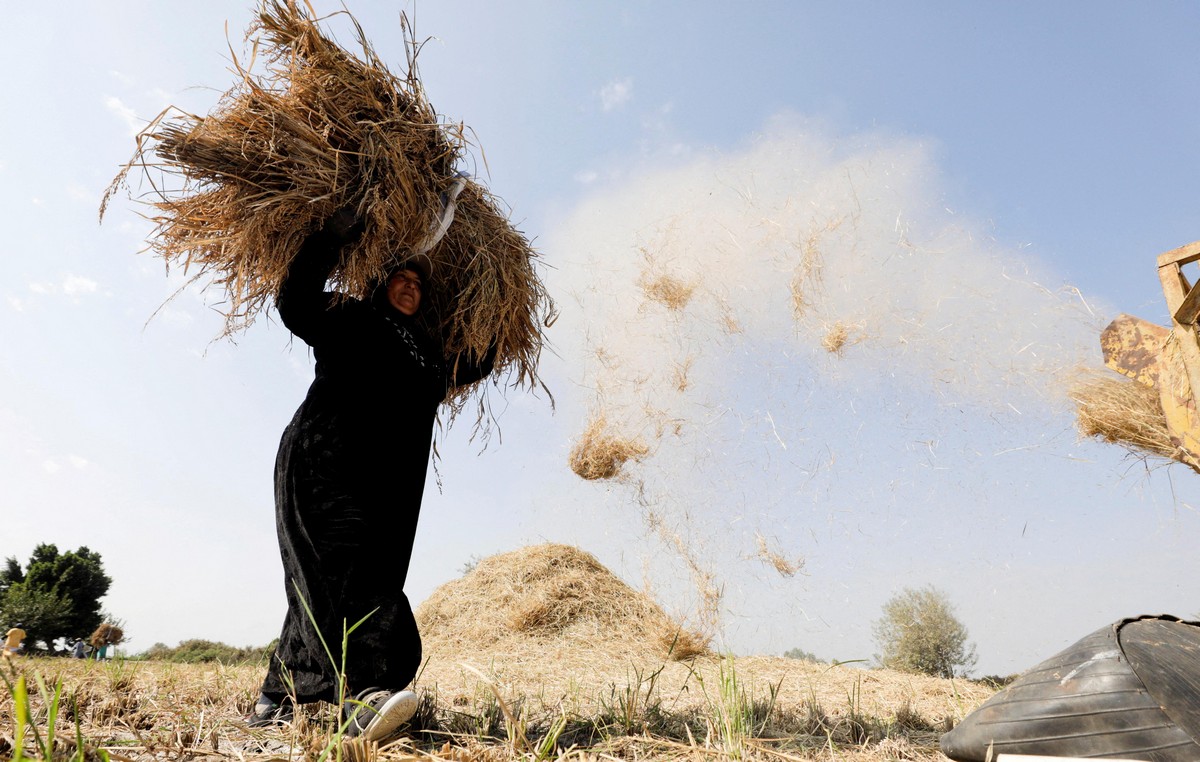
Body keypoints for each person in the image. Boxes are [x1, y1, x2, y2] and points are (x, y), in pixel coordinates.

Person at [249, 206, 495, 742]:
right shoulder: (350, 316)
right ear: (381, 283)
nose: (410, 286)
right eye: (401, 277)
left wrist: (493, 303)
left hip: (388, 485)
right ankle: (363, 696)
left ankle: (277, 696)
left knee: (346, 578)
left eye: (417, 283)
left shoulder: (426, 356)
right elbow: (294, 306)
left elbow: (477, 361)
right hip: (326, 459)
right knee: (346, 572)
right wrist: (328, 241)